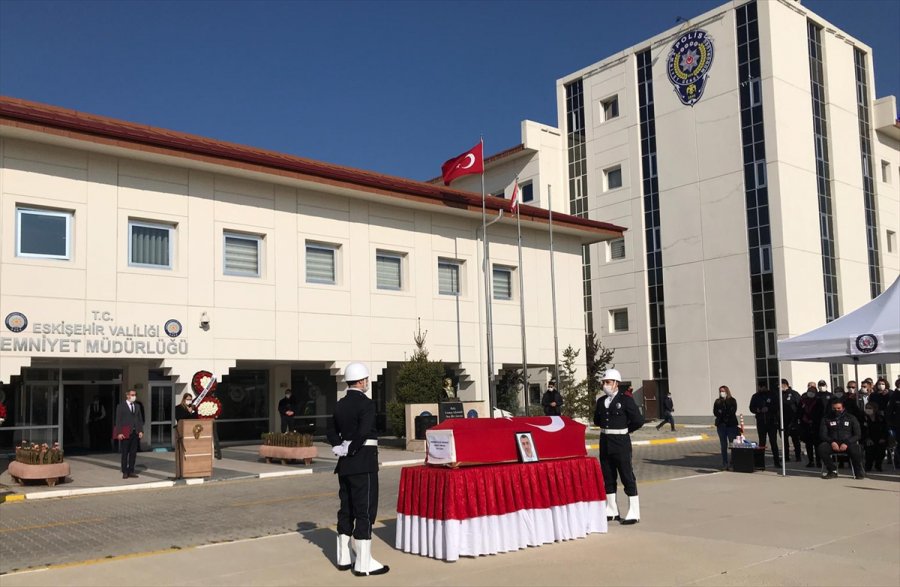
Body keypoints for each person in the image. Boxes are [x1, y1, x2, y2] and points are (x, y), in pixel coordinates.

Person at [326, 362, 388, 576]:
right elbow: (364, 431)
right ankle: (363, 562)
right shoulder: (367, 404)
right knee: (365, 509)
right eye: (366, 380)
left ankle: (343, 558)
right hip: (363, 462)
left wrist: (339, 446)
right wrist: (351, 448)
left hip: (344, 464)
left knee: (347, 508)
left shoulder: (340, 404)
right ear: (361, 381)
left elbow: (330, 429)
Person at [593, 368, 644, 525]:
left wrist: (625, 430)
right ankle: (612, 510)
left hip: (621, 442)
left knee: (626, 475)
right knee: (608, 476)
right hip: (605, 442)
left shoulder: (626, 400)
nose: (605, 385)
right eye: (603, 382)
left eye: (607, 382)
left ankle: (634, 512)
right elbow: (597, 420)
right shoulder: (601, 401)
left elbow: (638, 420)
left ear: (616, 383)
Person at [818, 398, 863, 479]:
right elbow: (823, 434)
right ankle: (832, 470)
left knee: (856, 450)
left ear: (843, 408)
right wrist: (832, 442)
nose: (836, 410)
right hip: (832, 442)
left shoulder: (851, 418)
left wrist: (847, 443)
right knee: (822, 448)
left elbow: (857, 434)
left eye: (839, 408)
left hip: (848, 443)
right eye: (834, 408)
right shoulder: (826, 418)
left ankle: (858, 471)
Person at [114, 389, 144, 479]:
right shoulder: (121, 406)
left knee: (133, 453)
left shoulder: (137, 406)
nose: (133, 396)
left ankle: (131, 470)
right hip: (125, 431)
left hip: (135, 432)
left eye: (135, 395)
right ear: (127, 395)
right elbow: (118, 420)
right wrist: (118, 433)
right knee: (125, 453)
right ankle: (125, 471)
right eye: (132, 395)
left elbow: (140, 419)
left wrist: (141, 431)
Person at [749, 382, 780, 466]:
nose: (760, 389)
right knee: (762, 442)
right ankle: (760, 462)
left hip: (771, 421)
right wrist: (758, 410)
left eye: (762, 387)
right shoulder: (755, 396)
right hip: (761, 421)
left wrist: (769, 408)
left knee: (773, 442)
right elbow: (751, 407)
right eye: (759, 387)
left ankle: (777, 462)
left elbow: (777, 406)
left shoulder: (772, 395)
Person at [713, 385, 739, 469]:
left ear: (727, 391)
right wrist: (722, 413)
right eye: (720, 391)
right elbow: (716, 412)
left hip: (731, 425)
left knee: (733, 444)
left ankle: (734, 462)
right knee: (723, 445)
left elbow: (732, 411)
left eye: (723, 391)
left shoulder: (732, 400)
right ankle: (725, 463)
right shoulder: (717, 401)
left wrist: (722, 412)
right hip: (721, 426)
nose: (721, 393)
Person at [798, 383, 822, 467]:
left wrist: (813, 420)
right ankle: (811, 461)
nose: (810, 393)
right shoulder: (803, 401)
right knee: (808, 444)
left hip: (816, 425)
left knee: (817, 445)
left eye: (812, 391)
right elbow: (799, 412)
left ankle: (818, 461)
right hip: (805, 425)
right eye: (809, 391)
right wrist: (803, 418)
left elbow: (821, 413)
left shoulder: (818, 401)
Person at [861, 404, 888, 472]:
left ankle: (878, 465)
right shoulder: (863, 418)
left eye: (870, 408)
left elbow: (885, 429)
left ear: (875, 409)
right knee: (869, 448)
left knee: (881, 449)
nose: (868, 409)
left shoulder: (881, 418)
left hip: (880, 438)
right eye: (866, 408)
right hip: (868, 438)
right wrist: (867, 439)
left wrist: (883, 438)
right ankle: (868, 465)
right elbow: (862, 430)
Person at [780, 379, 801, 462]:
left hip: (793, 421)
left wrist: (797, 419)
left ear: (785, 384)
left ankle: (798, 456)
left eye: (780, 385)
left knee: (795, 440)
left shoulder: (794, 394)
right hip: (782, 421)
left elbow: (799, 406)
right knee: (784, 441)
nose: (779, 387)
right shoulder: (780, 394)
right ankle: (786, 457)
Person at [886, 378, 900, 468]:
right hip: (897, 425)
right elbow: (889, 412)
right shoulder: (895, 395)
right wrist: (891, 424)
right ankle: (898, 463)